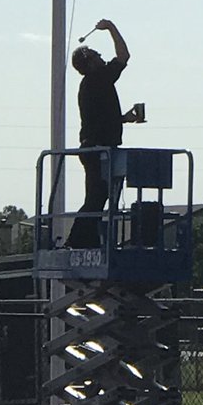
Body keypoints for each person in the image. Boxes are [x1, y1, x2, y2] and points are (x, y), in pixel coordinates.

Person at [65, 18, 140, 248]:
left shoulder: (92, 84)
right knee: (96, 197)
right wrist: (111, 28)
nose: (101, 57)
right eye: (97, 55)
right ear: (89, 62)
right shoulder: (97, 79)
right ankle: (77, 241)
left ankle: (86, 240)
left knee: (97, 197)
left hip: (95, 148)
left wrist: (123, 119)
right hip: (96, 150)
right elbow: (123, 56)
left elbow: (100, 119)